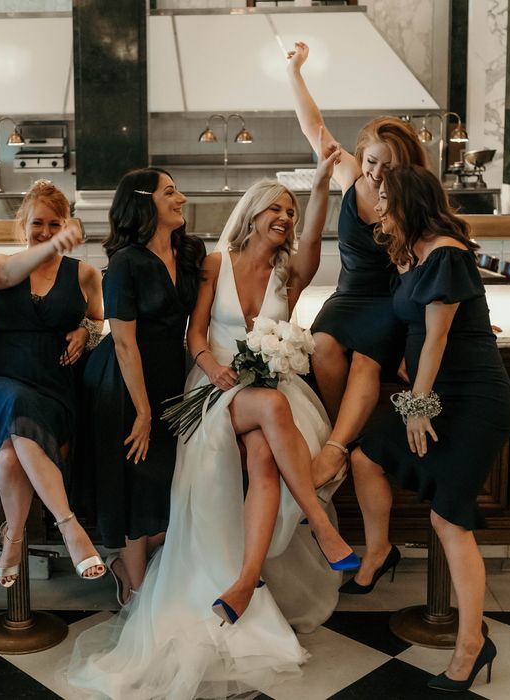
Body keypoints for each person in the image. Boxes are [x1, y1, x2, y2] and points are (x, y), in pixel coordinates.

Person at [67, 146, 355, 699]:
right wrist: (214, 369)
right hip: (212, 388)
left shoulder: (283, 273)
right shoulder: (213, 263)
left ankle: (245, 583)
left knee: (267, 453)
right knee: (268, 413)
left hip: (265, 389)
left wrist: (321, 184)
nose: (285, 218)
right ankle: (321, 525)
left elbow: (315, 239)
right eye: (276, 208)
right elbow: (193, 334)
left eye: (290, 213)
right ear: (250, 213)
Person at [346, 165, 510, 692]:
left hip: (471, 399)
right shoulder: (411, 251)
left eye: (384, 197)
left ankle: (470, 645)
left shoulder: (444, 250)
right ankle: (379, 550)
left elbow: (439, 337)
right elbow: (415, 327)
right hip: (433, 391)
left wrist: (418, 403)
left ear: (408, 201)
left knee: (449, 522)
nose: (377, 207)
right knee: (365, 455)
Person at [287, 41, 429, 493]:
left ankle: (337, 448)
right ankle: (343, 437)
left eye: (389, 167)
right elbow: (314, 126)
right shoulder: (349, 175)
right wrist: (294, 71)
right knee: (323, 345)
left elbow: (440, 261)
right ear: (361, 155)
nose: (377, 174)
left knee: (367, 360)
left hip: (393, 301)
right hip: (350, 295)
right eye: (371, 162)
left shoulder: (414, 201)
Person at [0, 180, 106, 585]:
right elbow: (6, 274)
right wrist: (57, 243)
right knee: (15, 403)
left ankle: (14, 535)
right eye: (37, 223)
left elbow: (98, 321)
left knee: (9, 455)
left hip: (54, 390)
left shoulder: (86, 274)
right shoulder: (1, 264)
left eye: (53, 224)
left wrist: (84, 334)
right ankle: (69, 526)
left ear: (65, 224)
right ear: (22, 224)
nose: (44, 231)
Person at [82, 167, 205, 604]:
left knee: (162, 479)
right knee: (134, 477)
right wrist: (143, 411)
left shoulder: (190, 251)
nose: (182, 198)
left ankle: (136, 565)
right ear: (143, 202)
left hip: (171, 376)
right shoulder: (125, 264)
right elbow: (124, 344)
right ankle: (133, 589)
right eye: (170, 191)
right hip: (124, 384)